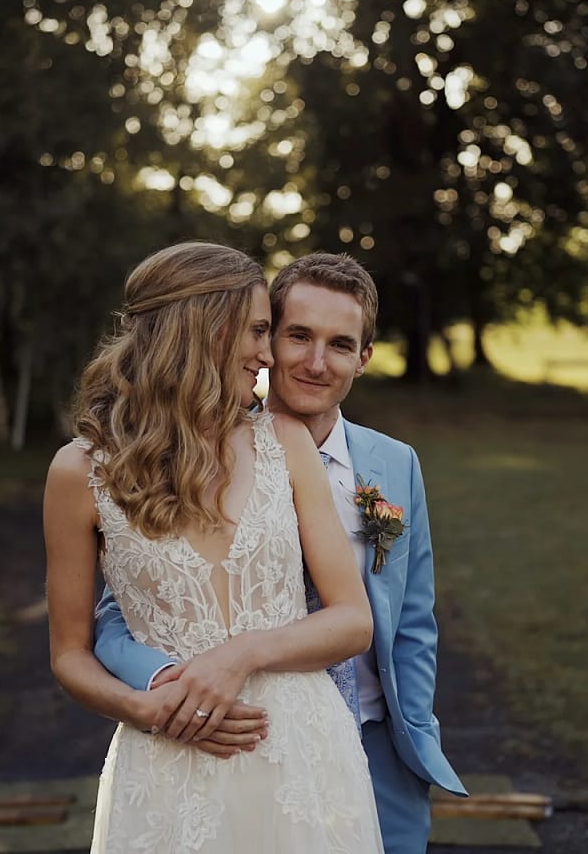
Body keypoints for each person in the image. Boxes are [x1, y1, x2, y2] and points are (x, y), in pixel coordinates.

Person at [94, 252, 466, 853]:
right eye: (296, 335)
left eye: (340, 344)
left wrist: (412, 728)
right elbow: (124, 606)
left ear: (363, 358)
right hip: (247, 732)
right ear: (262, 337)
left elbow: (414, 618)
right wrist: (172, 684)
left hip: (376, 742)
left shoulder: (396, 466)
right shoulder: (194, 456)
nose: (315, 363)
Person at [44, 241, 384, 853]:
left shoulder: (285, 442)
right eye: (256, 331)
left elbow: (352, 621)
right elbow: (70, 654)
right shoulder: (79, 471)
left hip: (303, 758)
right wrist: (145, 710)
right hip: (167, 762)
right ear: (200, 330)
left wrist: (241, 655)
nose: (266, 354)